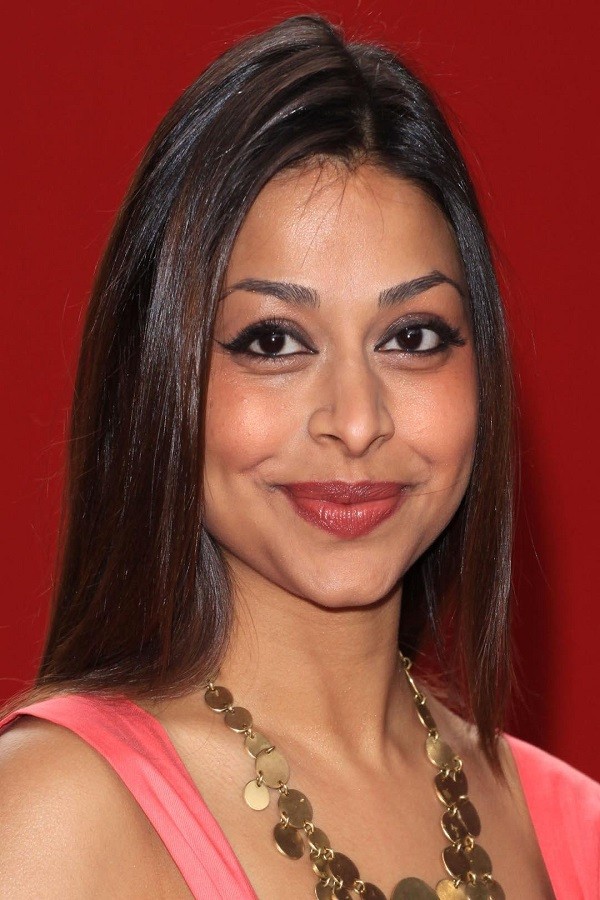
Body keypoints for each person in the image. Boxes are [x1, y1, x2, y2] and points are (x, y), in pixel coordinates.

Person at [0, 13, 598, 900]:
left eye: (412, 337)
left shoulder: (575, 831)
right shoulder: (54, 819)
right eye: (274, 341)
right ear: (160, 376)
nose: (355, 423)